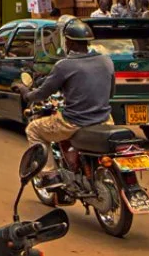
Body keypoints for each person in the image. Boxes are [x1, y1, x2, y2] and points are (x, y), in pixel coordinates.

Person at [23, 19, 115, 179]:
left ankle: (48, 174)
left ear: (69, 42)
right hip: (105, 119)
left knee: (33, 129)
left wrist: (26, 93)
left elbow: (42, 94)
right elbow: (111, 93)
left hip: (73, 122)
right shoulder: (106, 61)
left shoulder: (64, 65)